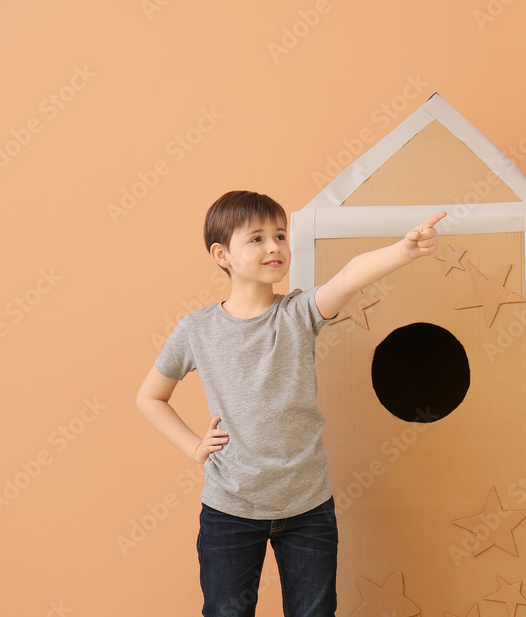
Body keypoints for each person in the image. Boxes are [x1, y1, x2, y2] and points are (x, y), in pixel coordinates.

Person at [135, 190, 446, 617]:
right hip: (230, 509)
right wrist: (193, 447)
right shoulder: (197, 329)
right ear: (222, 254)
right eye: (257, 238)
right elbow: (150, 397)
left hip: (308, 508)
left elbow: (349, 276)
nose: (274, 247)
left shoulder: (299, 312)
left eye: (280, 236)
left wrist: (404, 250)